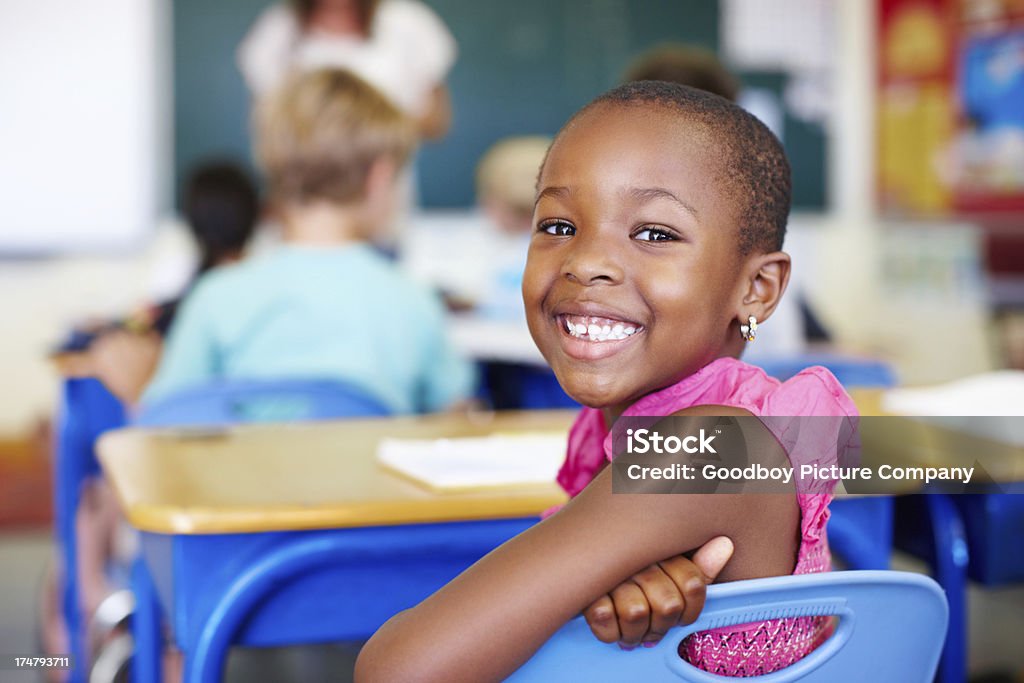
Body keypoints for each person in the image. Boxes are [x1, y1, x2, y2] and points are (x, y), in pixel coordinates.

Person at [355, 81, 857, 681]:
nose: (584, 260)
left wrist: (582, 589)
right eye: (559, 226)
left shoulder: (710, 449)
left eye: (654, 234)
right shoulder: (640, 430)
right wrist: (610, 576)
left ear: (757, 290)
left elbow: (398, 673)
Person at [141, 68, 474, 415]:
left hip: (248, 471)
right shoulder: (411, 299)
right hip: (363, 471)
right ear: (380, 177)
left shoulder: (215, 296)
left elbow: (166, 420)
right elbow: (455, 416)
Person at [237, 0, 456, 140]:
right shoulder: (278, 29)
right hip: (300, 193)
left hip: (384, 191)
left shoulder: (406, 22)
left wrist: (371, 134)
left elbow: (436, 121)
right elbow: (263, 126)